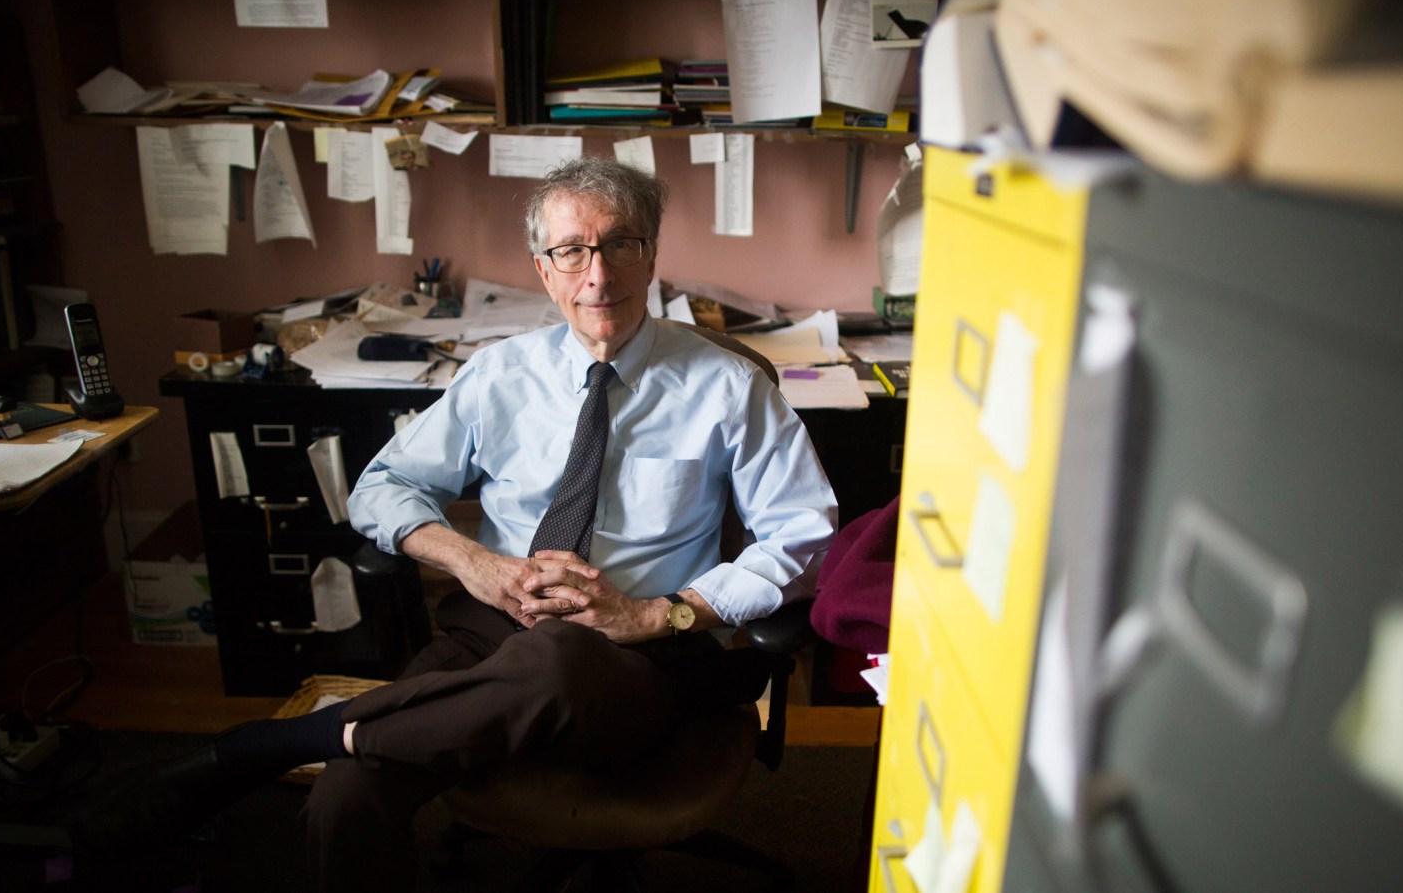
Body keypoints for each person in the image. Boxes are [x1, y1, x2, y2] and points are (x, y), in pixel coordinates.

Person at [70, 156, 837, 891]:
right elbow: (382, 486)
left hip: (639, 658)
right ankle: (312, 749)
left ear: (650, 257)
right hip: (490, 629)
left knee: (558, 666)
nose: (597, 275)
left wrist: (659, 611)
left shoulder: (727, 387)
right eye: (571, 251)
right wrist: (472, 563)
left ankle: (267, 746)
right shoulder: (500, 374)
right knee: (348, 799)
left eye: (619, 247)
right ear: (543, 268)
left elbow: (804, 534)